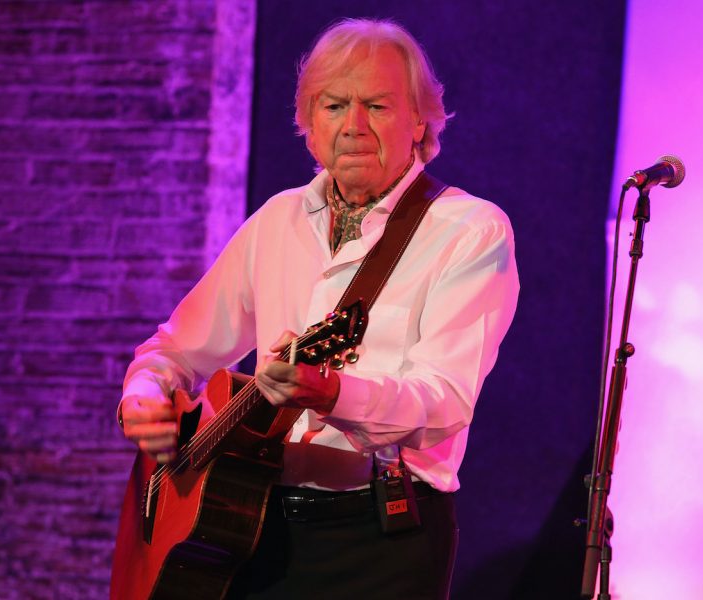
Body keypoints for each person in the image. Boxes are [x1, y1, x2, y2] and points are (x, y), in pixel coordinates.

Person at [117, 17, 519, 599]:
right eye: (334, 105)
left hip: (378, 536)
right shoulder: (277, 219)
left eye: (377, 106)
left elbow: (445, 400)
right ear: (308, 126)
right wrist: (144, 396)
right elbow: (175, 347)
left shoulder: (468, 230)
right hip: (251, 529)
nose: (354, 126)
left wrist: (331, 392)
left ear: (420, 122)